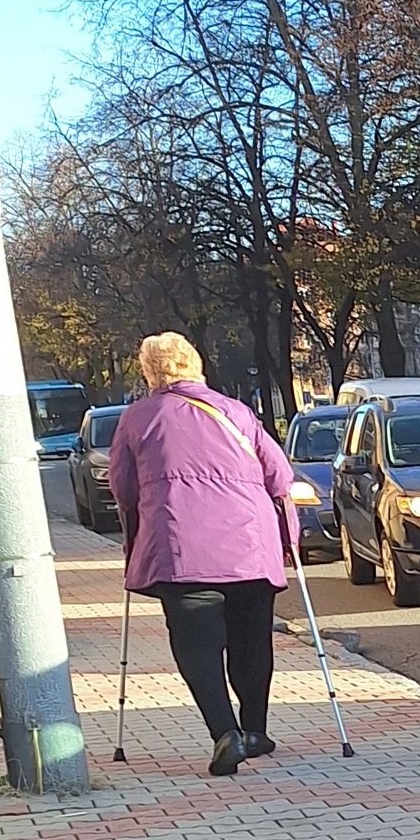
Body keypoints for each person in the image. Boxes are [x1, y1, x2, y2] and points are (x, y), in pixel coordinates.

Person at [105, 333, 299, 777]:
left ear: (150, 372)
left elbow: (123, 488)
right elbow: (279, 475)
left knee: (197, 646)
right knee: (252, 639)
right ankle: (256, 730)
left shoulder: (138, 418)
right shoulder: (236, 411)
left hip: (181, 550)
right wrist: (288, 539)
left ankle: (226, 733)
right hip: (249, 547)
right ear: (195, 365)